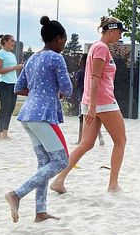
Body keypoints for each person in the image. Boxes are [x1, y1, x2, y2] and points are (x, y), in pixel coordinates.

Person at [5, 16, 72, 223]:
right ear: (58, 39)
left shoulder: (33, 58)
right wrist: (56, 93)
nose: (64, 45)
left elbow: (18, 88)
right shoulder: (56, 58)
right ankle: (16, 194)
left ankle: (40, 212)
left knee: (44, 164)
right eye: (64, 41)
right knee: (61, 161)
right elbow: (67, 89)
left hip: (27, 115)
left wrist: (38, 93)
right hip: (43, 116)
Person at [51, 16, 128, 194]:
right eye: (119, 32)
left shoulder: (96, 47)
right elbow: (95, 79)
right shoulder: (101, 48)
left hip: (91, 101)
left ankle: (59, 179)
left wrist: (91, 106)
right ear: (111, 30)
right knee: (120, 141)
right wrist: (93, 108)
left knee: (86, 143)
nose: (120, 36)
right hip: (103, 101)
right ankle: (113, 185)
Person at [0, 34, 23, 141]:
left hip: (13, 83)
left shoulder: (12, 55)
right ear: (5, 42)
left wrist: (19, 67)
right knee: (4, 108)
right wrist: (15, 67)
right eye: (11, 41)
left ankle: (5, 133)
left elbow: (13, 69)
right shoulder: (0, 53)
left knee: (11, 108)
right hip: (4, 83)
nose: (13, 43)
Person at [72, 54, 104, 146]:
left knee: (82, 119)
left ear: (83, 61)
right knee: (95, 118)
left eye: (80, 59)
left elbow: (77, 85)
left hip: (83, 98)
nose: (79, 61)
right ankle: (100, 137)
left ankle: (80, 139)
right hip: (95, 98)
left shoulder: (80, 73)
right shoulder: (94, 72)